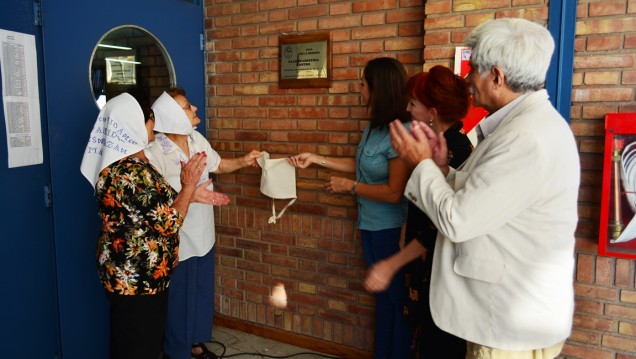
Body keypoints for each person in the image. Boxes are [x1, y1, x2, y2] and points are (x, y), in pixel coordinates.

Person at [389, 18, 580, 359]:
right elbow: (483, 198)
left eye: (472, 68)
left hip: (508, 325)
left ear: (496, 76)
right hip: (509, 317)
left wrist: (420, 164)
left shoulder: (524, 138)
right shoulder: (528, 127)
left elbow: (458, 220)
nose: (467, 80)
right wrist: (442, 169)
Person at [80, 93, 229, 359]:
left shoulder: (133, 165)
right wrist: (189, 186)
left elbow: (153, 206)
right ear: (133, 125)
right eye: (149, 118)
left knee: (134, 340)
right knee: (138, 345)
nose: (153, 123)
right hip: (136, 279)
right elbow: (169, 223)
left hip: (140, 277)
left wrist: (190, 194)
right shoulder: (129, 172)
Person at [288, 57, 412, 359]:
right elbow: (359, 165)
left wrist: (350, 187)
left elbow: (395, 192)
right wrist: (316, 158)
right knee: (383, 300)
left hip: (391, 229)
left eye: (363, 84)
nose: (359, 89)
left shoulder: (402, 132)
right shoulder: (375, 127)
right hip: (369, 224)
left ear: (377, 89)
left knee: (398, 303)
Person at [364, 65, 473, 358]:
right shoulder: (431, 144)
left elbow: (437, 224)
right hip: (420, 258)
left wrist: (393, 262)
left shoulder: (459, 149)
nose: (408, 110)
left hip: (438, 261)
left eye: (413, 103)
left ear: (432, 112)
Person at [146, 88, 261, 359]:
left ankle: (195, 344)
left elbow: (219, 165)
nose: (195, 109)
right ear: (173, 116)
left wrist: (244, 161)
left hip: (203, 233)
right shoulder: (155, 152)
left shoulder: (196, 139)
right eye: (187, 107)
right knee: (179, 299)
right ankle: (177, 351)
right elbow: (154, 202)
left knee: (200, 292)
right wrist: (188, 193)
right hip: (178, 238)